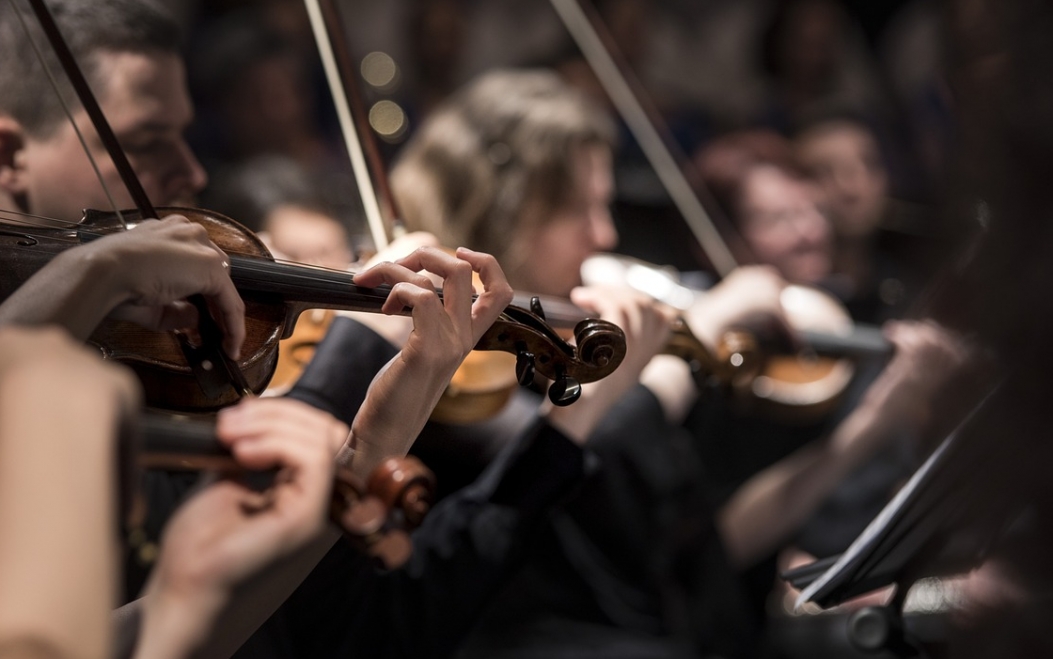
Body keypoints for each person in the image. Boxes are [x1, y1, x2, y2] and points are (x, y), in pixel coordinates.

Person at [384, 68, 968, 658]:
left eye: (604, 205)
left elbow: (703, 547)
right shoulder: (449, 362)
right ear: (501, 208)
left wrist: (877, 415)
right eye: (578, 209)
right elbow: (566, 460)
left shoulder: (566, 330)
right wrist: (702, 326)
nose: (604, 233)